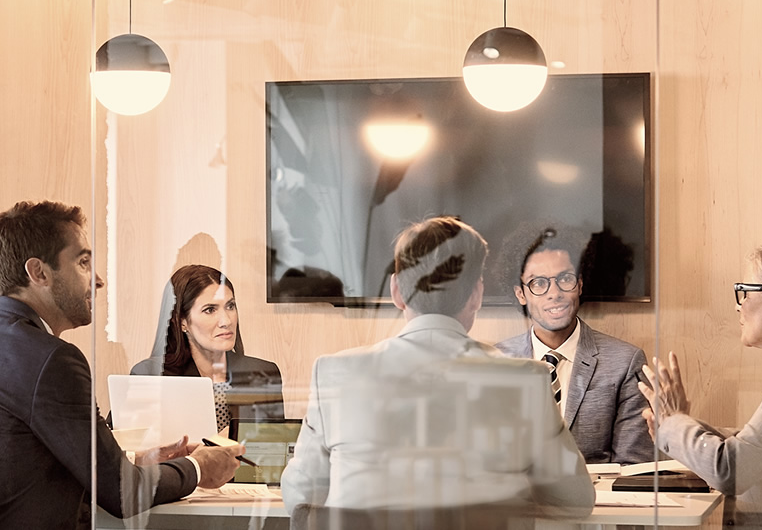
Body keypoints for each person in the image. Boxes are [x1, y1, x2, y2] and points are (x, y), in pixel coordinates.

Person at [280, 215, 595, 519]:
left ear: (397, 292)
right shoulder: (526, 379)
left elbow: (300, 498)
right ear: (477, 294)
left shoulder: (335, 373)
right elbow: (575, 500)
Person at [0, 200, 243, 529]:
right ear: (39, 272)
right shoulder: (51, 359)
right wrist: (198, 467)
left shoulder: (15, 345)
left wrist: (134, 460)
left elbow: (34, 461)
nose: (98, 280)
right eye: (84, 262)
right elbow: (120, 491)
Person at [639, 241, 762, 528]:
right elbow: (761, 443)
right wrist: (679, 425)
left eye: (745, 292)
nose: (738, 305)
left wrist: (675, 424)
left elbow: (731, 469)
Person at [494, 222, 654, 464]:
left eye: (565, 279)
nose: (554, 292)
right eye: (538, 283)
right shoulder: (495, 362)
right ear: (520, 294)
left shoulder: (625, 363)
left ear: (579, 284)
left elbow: (633, 470)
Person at [132, 264, 284, 432]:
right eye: (210, 310)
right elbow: (127, 449)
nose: (226, 321)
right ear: (182, 321)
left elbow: (273, 449)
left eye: (230, 306)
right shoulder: (150, 375)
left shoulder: (263, 372)